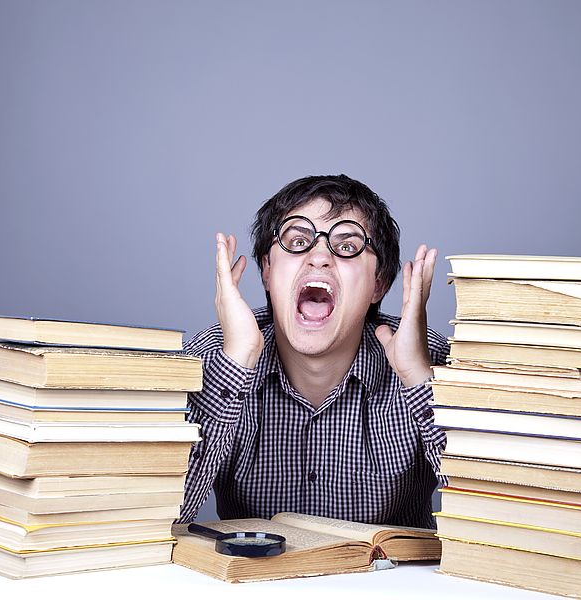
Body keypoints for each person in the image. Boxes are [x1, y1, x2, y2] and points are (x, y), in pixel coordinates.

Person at [178, 174, 448, 528]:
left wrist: (418, 379)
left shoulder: (429, 360)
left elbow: (496, 516)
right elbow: (158, 519)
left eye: (347, 246)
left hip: (392, 580)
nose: (319, 258)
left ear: (378, 284)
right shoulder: (213, 358)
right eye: (298, 241)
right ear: (267, 271)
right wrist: (237, 361)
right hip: (253, 580)